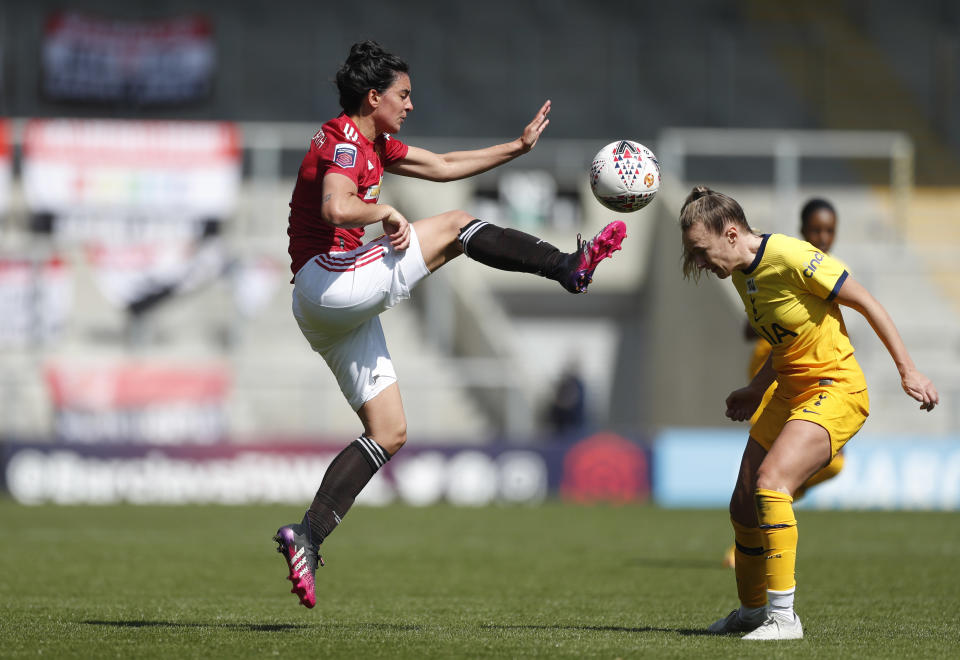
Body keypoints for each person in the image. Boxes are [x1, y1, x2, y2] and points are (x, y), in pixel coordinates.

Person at [273, 40, 627, 609]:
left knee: (389, 432)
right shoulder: (342, 138)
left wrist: (517, 146)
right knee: (458, 225)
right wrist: (386, 211)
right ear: (373, 96)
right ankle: (567, 266)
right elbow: (336, 208)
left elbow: (441, 167)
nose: (411, 105)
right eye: (403, 95)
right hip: (327, 281)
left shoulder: (374, 142)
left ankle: (307, 537)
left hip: (328, 308)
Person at [679, 186, 937, 640]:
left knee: (771, 484)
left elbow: (867, 301)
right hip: (788, 391)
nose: (699, 262)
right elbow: (786, 343)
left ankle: (784, 618)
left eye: (701, 251)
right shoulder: (741, 272)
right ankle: (753, 611)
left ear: (732, 233)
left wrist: (908, 370)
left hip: (835, 388)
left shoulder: (793, 256)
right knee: (743, 502)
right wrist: (755, 390)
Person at [722, 197, 844, 568]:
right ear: (804, 230)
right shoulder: (783, 258)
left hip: (807, 370)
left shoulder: (827, 269)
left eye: (829, 231)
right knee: (761, 473)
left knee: (833, 465)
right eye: (816, 230)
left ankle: (767, 516)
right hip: (773, 372)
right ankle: (750, 539)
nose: (823, 238)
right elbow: (749, 326)